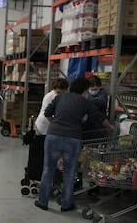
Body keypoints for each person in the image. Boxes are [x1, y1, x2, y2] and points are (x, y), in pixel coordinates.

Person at [34, 77, 115, 212]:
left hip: (53, 136)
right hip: (73, 138)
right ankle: (66, 204)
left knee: (48, 169)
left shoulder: (60, 97)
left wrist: (55, 123)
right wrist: (111, 127)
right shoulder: (86, 102)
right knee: (69, 172)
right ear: (84, 90)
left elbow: (47, 113)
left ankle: (43, 202)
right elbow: (99, 118)